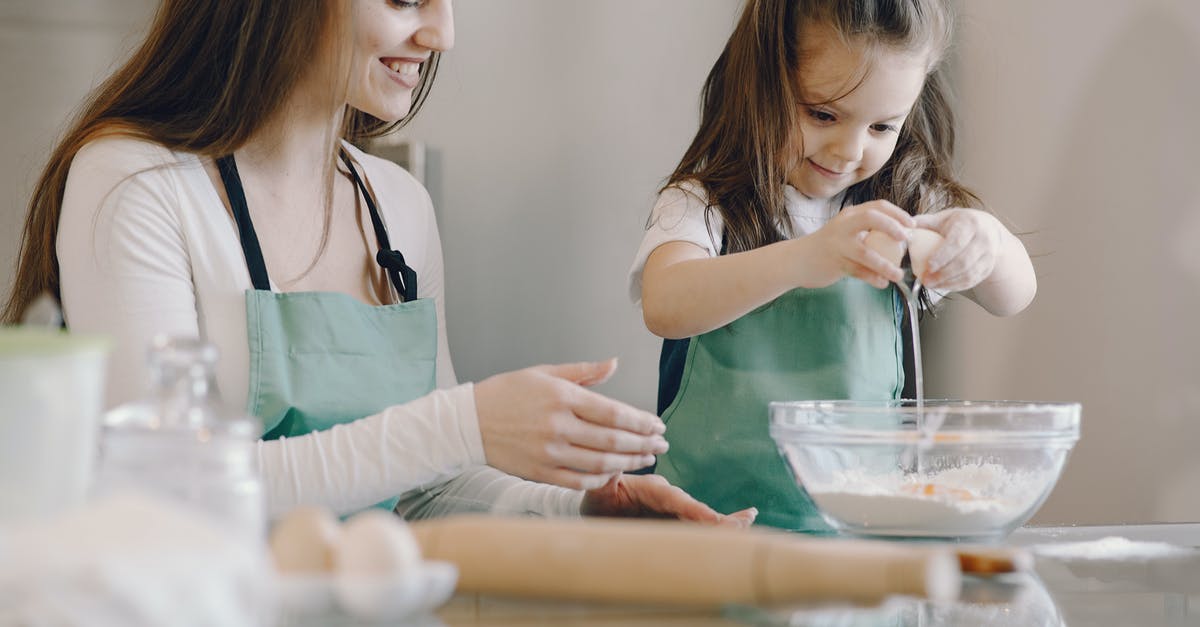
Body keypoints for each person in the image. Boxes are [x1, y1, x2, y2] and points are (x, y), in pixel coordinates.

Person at [2, 0, 755, 527]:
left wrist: (586, 506)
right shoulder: (137, 184)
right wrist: (466, 422)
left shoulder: (396, 204)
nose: (443, 32)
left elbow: (426, 490)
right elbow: (169, 492)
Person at [628, 0, 1037, 530]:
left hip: (856, 532)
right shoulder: (703, 204)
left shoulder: (902, 208)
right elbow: (667, 304)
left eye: (883, 127)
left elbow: (1014, 295)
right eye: (823, 114)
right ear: (762, 84)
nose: (849, 150)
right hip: (707, 530)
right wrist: (805, 258)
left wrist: (987, 243)